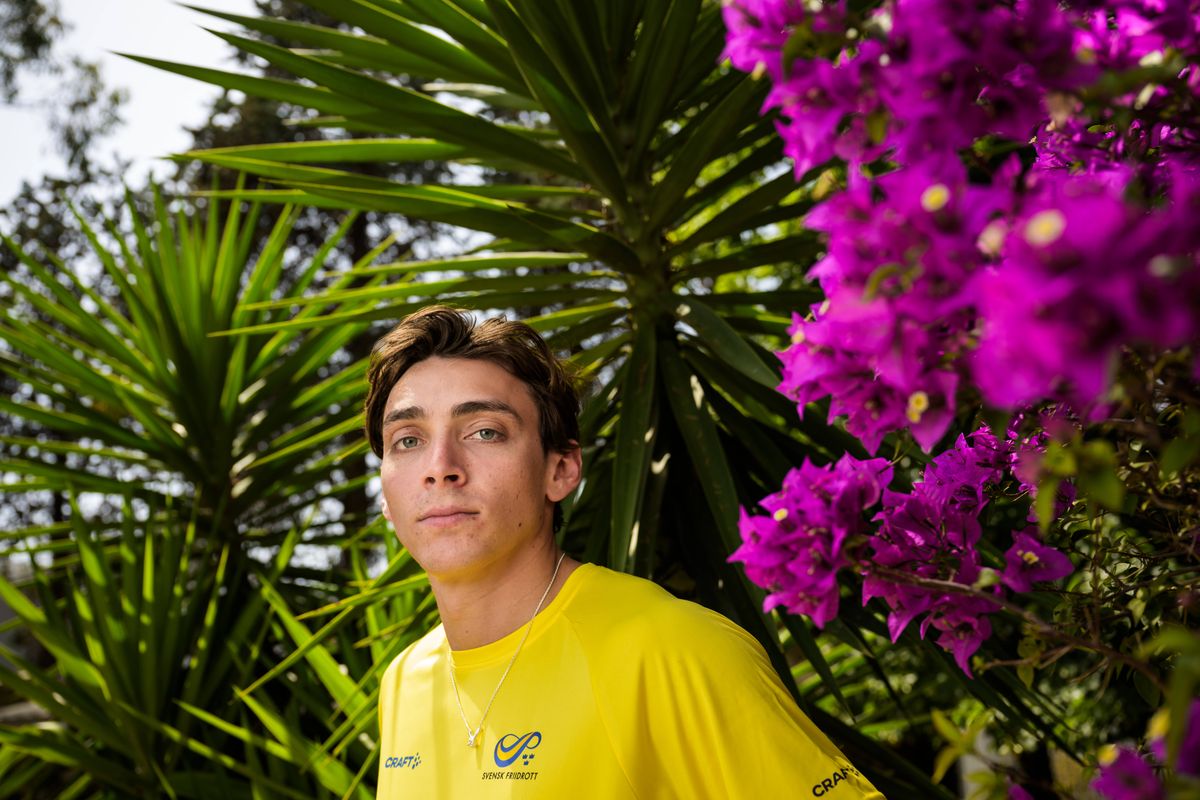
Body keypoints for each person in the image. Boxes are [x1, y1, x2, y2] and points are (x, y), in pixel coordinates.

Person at [369, 305, 883, 798]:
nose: (440, 466)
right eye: (408, 440)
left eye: (485, 432)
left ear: (560, 470)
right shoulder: (403, 682)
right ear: (386, 496)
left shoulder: (675, 649)